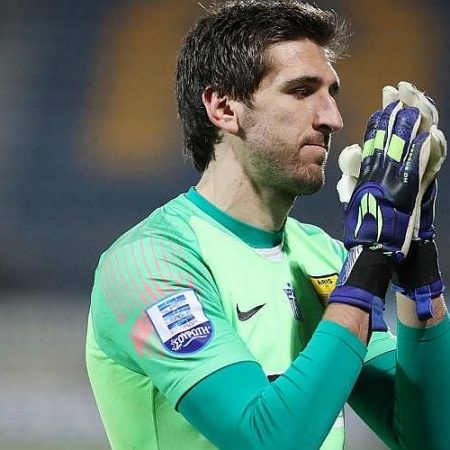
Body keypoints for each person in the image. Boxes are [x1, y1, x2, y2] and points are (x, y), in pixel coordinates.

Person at [85, 1, 450, 449]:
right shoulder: (151, 264)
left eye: (331, 94)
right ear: (224, 108)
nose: (332, 118)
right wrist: (370, 262)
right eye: (301, 91)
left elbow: (430, 440)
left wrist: (417, 266)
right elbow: (267, 441)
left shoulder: (323, 257)